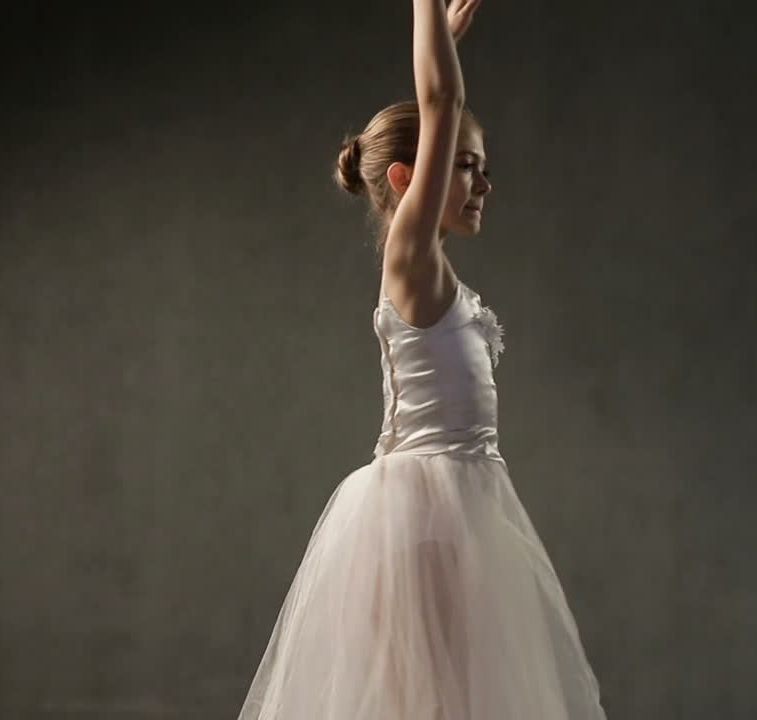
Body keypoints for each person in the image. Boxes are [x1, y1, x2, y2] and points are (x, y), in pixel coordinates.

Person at [237, 2, 607, 717]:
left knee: (457, 697)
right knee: (433, 700)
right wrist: (428, 17)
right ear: (408, 180)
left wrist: (444, 38)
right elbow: (442, 102)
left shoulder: (437, 277)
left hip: (460, 508)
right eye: (463, 167)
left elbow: (443, 109)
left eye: (479, 167)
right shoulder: (410, 259)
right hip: (423, 518)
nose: (482, 183)